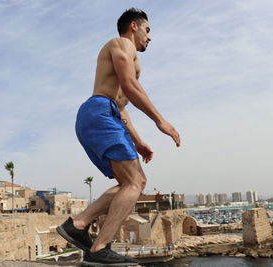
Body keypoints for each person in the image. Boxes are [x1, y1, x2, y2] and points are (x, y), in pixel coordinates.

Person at [57, 8, 180, 266]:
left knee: (130, 183)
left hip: (107, 115)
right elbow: (128, 86)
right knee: (136, 182)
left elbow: (122, 105)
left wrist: (137, 140)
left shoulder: (134, 59)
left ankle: (77, 225)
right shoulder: (121, 44)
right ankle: (99, 248)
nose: (150, 37)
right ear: (133, 27)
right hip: (99, 112)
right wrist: (161, 121)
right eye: (148, 30)